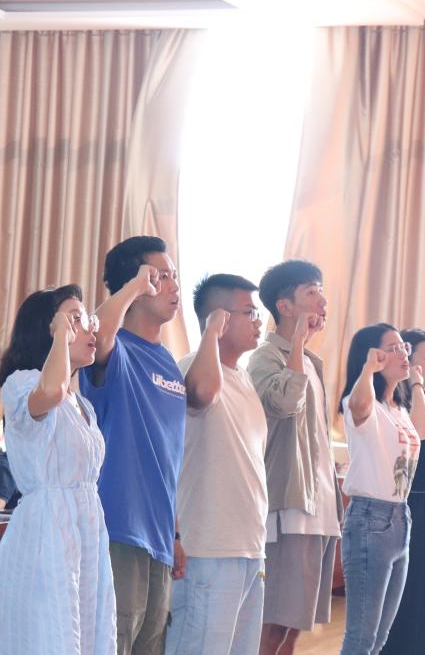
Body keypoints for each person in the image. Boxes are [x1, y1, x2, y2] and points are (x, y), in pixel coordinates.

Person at [0, 284, 116, 654]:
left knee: (87, 634)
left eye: (86, 319)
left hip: (86, 529)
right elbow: (50, 392)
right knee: (50, 635)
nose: (89, 328)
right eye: (76, 319)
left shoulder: (82, 405)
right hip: (47, 531)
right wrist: (62, 333)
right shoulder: (23, 383)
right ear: (47, 329)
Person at [79, 236, 186, 655]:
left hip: (159, 536)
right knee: (113, 642)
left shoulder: (169, 362)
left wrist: (175, 532)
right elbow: (98, 331)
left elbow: (169, 455)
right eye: (162, 277)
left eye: (174, 276)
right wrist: (134, 287)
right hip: (120, 529)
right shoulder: (116, 347)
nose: (174, 286)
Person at [166, 274, 269, 655]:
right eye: (249, 312)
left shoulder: (243, 378)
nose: (258, 320)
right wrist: (210, 334)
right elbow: (203, 393)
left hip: (248, 546)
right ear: (220, 317)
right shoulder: (193, 368)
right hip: (207, 548)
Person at [247, 260, 341, 655]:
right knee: (272, 622)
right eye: (311, 292)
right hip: (288, 507)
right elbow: (284, 404)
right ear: (284, 306)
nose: (322, 301)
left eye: (321, 291)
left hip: (319, 506)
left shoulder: (312, 363)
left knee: (294, 625)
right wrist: (299, 343)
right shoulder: (266, 356)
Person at [338, 324, 425, 655]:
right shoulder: (363, 402)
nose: (403, 352)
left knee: (379, 638)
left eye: (404, 346)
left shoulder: (399, 409)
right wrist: (368, 369)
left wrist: (416, 383)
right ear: (374, 355)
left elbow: (423, 430)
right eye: (393, 348)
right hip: (369, 519)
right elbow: (359, 405)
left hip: (399, 517)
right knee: (361, 636)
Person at [380, 329, 425, 655]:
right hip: (410, 507)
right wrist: (418, 385)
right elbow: (418, 438)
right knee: (406, 599)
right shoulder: (401, 405)